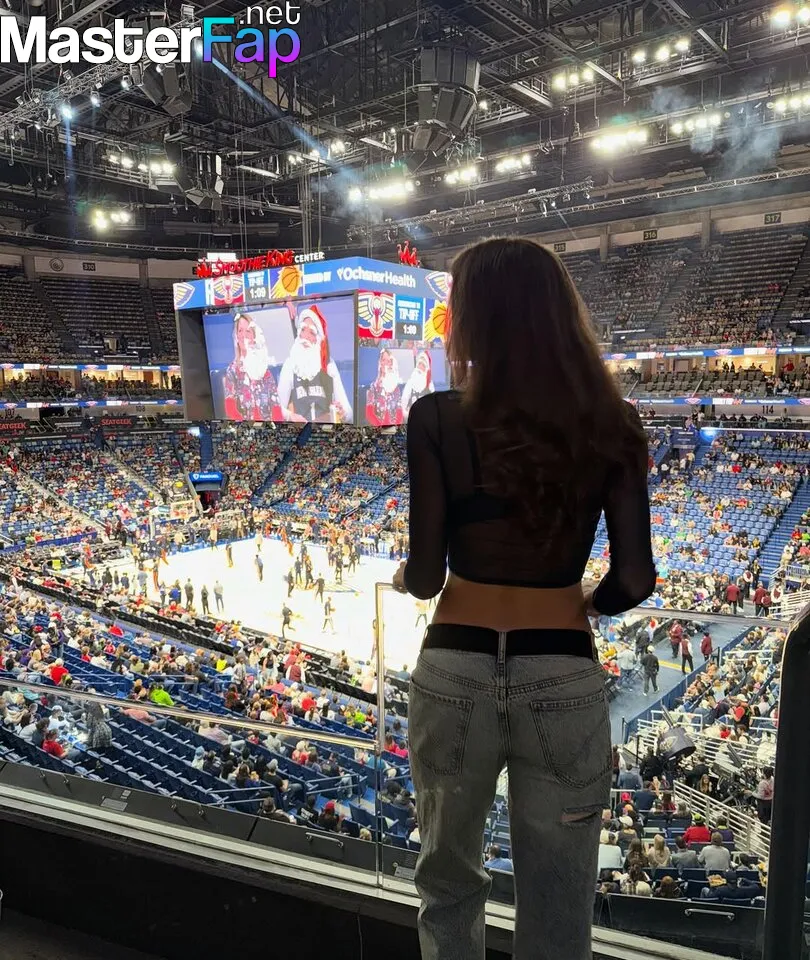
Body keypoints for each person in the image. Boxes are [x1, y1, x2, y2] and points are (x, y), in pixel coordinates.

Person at [391, 238, 656, 960]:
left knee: (448, 886)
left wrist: (405, 579)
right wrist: (585, 603)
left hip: (455, 670)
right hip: (560, 670)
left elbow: (425, 576)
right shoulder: (613, 422)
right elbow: (635, 579)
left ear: (475, 320)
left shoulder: (435, 418)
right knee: (559, 904)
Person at [277, 304, 353, 423]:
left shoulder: (328, 364)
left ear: (318, 338)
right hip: (301, 429)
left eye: (311, 332)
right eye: (303, 330)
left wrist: (343, 413)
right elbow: (277, 409)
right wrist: (290, 416)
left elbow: (349, 413)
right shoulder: (290, 364)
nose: (305, 336)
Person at [222, 312, 282, 421]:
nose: (243, 335)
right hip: (245, 427)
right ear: (236, 336)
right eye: (240, 330)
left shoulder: (265, 371)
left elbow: (276, 408)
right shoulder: (233, 371)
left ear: (254, 336)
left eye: (248, 331)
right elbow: (230, 409)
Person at [365, 348, 404, 426]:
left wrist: (394, 428)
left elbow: (400, 414)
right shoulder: (374, 387)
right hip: (378, 428)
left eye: (388, 361)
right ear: (380, 362)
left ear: (391, 364)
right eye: (383, 360)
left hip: (394, 429)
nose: (386, 363)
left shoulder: (396, 389)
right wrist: (381, 428)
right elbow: (369, 414)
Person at [401, 349, 436, 419]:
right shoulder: (411, 380)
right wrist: (406, 414)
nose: (420, 366)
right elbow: (404, 399)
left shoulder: (430, 384)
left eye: (423, 365)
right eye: (419, 364)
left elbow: (433, 402)